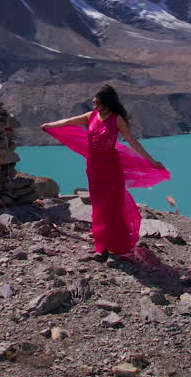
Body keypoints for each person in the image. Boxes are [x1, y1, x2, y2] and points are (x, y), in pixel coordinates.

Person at [41, 85, 169, 259]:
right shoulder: (90, 116)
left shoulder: (117, 120)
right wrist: (50, 125)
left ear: (106, 102)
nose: (93, 102)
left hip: (111, 168)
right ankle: (101, 246)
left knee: (113, 207)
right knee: (99, 206)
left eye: (97, 100)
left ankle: (116, 245)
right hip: (94, 167)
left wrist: (152, 161)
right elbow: (68, 122)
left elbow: (133, 143)